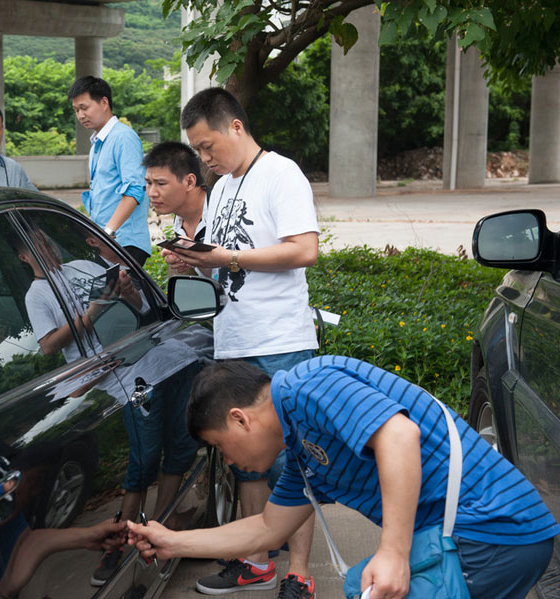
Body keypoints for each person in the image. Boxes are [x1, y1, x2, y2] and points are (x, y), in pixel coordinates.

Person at [128, 356, 560, 599]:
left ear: (239, 419)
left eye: (220, 447)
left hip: (491, 530)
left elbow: (398, 434)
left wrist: (392, 552)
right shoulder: (300, 451)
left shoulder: (306, 385)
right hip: (480, 538)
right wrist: (174, 541)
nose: (227, 458)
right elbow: (267, 528)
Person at [159, 87, 320, 596]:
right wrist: (190, 260)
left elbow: (304, 250)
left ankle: (299, 572)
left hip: (278, 339)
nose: (203, 159)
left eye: (207, 147)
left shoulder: (281, 173)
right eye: (197, 150)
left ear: (234, 126)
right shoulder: (223, 188)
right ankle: (256, 561)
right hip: (232, 340)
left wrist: (224, 258)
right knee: (244, 460)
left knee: (292, 459)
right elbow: (223, 259)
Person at [68, 76, 150, 267]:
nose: (80, 115)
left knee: (114, 296)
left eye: (84, 108)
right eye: (76, 110)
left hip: (124, 242)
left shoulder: (123, 138)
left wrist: (108, 232)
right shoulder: (98, 141)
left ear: (104, 102)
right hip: (108, 242)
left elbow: (135, 190)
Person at [143, 141, 208, 276]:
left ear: (189, 182)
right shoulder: (179, 222)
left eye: (161, 183)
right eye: (149, 183)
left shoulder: (225, 210)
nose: (152, 193)